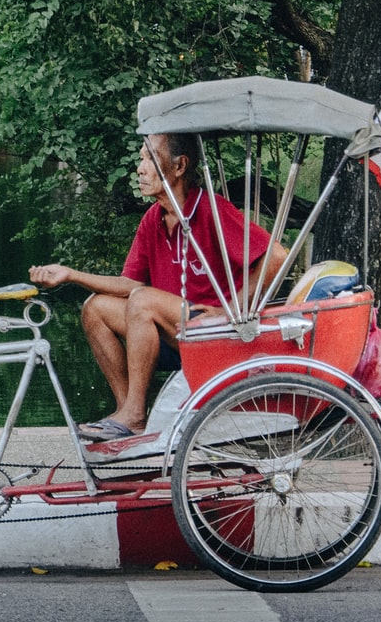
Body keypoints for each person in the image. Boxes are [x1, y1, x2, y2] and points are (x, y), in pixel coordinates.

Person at [28, 131, 289, 441]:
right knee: (95, 307)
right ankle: (126, 412)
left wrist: (231, 309)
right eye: (141, 159)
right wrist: (70, 274)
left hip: (216, 335)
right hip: (175, 333)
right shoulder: (154, 218)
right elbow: (130, 283)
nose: (140, 168)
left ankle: (135, 415)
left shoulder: (209, 209)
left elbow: (277, 256)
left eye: (149, 158)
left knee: (142, 300)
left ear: (179, 167)